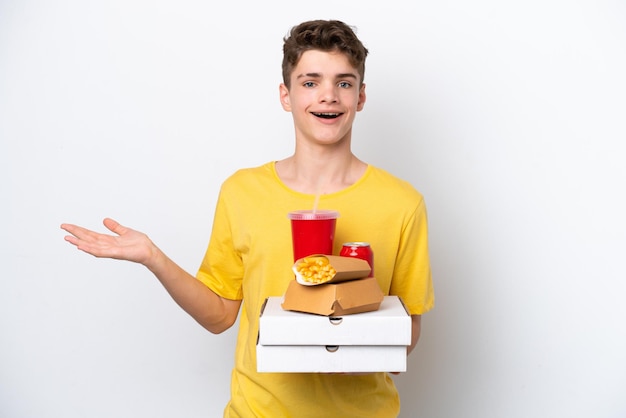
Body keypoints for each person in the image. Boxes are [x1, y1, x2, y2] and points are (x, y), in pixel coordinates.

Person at [61, 19, 434, 417]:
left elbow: (406, 334)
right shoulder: (242, 192)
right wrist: (154, 257)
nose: (328, 96)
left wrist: (347, 346)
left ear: (360, 97)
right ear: (285, 95)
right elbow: (220, 316)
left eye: (344, 83)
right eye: (310, 82)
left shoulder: (402, 203)